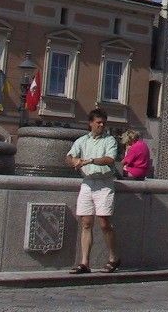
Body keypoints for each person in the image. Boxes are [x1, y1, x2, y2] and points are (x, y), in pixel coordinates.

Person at [66, 108, 120, 274]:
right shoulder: (82, 140)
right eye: (98, 122)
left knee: (104, 222)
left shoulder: (110, 140)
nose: (101, 125)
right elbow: (69, 157)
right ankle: (84, 263)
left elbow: (110, 159)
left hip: (104, 183)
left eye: (104, 123)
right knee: (86, 223)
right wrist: (74, 161)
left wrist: (89, 160)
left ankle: (113, 257)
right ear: (91, 123)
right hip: (88, 183)